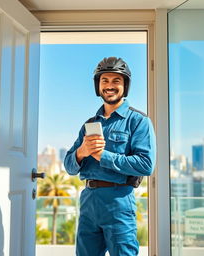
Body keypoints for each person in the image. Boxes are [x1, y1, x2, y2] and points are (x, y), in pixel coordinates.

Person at [64, 57, 156, 256]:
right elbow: (69, 166)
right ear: (98, 86)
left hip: (118, 201)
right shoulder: (88, 124)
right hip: (88, 202)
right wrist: (82, 152)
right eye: (105, 81)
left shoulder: (138, 121)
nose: (110, 86)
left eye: (116, 81)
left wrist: (102, 156)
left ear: (125, 85)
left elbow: (146, 164)